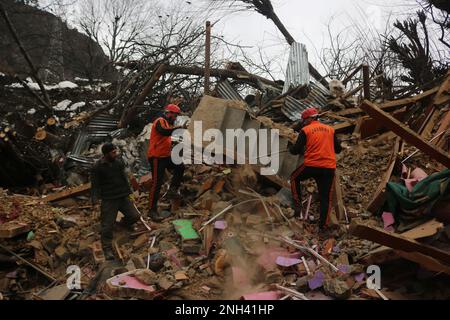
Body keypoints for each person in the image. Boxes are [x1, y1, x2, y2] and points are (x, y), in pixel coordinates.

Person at [289, 107, 342, 232]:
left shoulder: (306, 130)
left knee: (294, 178)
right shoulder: (330, 130)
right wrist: (336, 142)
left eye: (304, 120)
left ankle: (298, 206)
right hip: (329, 168)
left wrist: (291, 148)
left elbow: (296, 150)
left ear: (309, 119)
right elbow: (338, 149)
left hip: (312, 166)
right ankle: (323, 226)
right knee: (326, 198)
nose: (303, 122)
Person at [91, 143, 140, 260]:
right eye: (113, 152)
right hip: (109, 199)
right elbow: (95, 186)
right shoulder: (97, 167)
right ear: (106, 154)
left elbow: (124, 178)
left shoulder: (118, 163)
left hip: (122, 196)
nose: (115, 154)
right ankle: (107, 248)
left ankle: (122, 225)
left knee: (135, 216)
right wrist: (95, 201)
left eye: (115, 151)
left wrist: (130, 193)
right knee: (107, 226)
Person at [147, 104, 186, 222]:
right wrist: (178, 128)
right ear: (169, 113)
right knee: (156, 184)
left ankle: (173, 189)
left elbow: (168, 135)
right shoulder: (160, 121)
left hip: (165, 156)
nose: (175, 118)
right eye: (175, 115)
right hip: (156, 157)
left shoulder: (168, 124)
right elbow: (163, 131)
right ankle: (151, 210)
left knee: (180, 166)